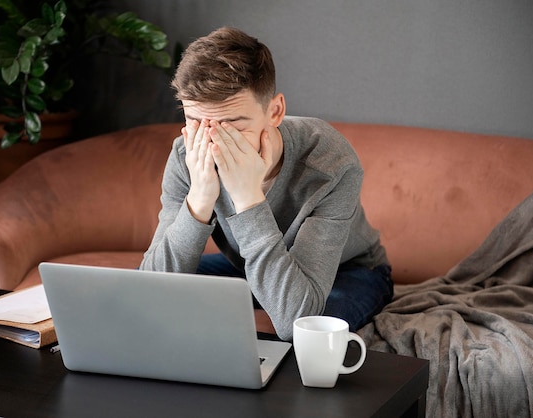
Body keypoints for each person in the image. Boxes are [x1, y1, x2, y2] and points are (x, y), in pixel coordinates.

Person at [140, 26, 392, 341]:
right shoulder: (187, 154)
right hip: (251, 264)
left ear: (274, 111)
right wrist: (200, 198)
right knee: (136, 302)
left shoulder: (329, 161)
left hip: (349, 270)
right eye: (196, 121)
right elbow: (149, 294)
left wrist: (248, 198)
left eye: (232, 125)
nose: (214, 142)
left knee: (308, 334)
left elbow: (294, 320)